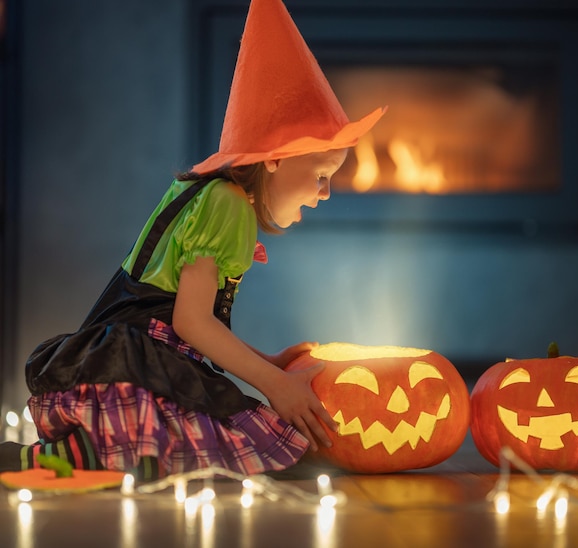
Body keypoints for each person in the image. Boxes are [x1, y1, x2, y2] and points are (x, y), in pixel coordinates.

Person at [0, 0, 385, 480]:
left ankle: (96, 447)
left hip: (144, 362)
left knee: (248, 444)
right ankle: (66, 454)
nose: (325, 193)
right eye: (322, 174)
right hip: (133, 371)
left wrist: (269, 363)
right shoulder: (227, 204)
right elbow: (191, 322)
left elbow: (192, 323)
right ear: (276, 158)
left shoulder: (208, 194)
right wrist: (275, 386)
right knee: (257, 446)